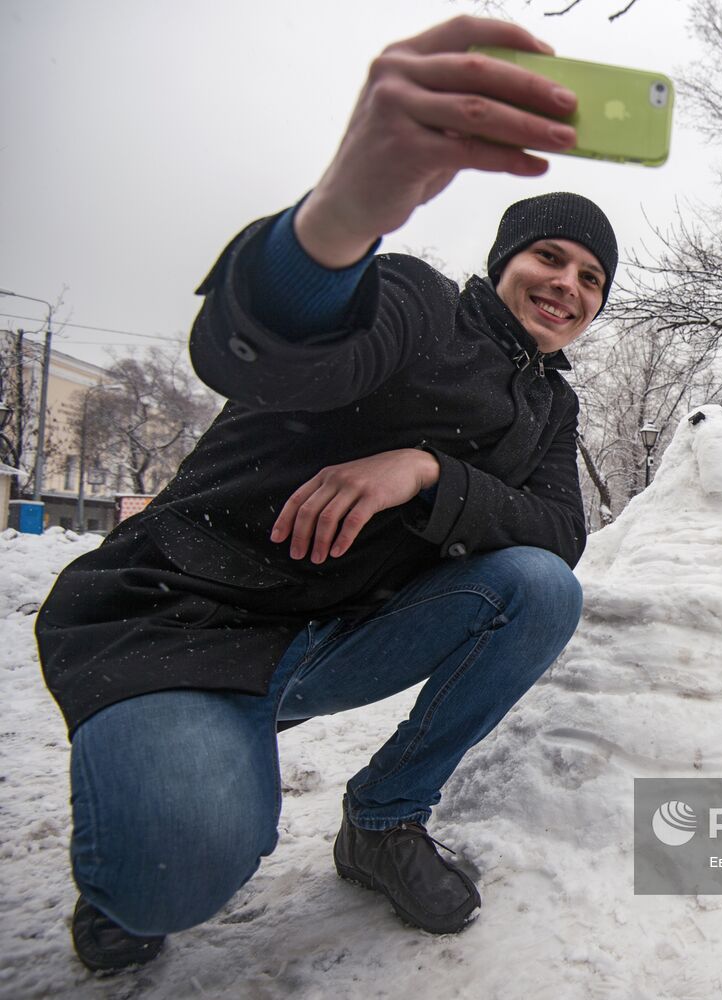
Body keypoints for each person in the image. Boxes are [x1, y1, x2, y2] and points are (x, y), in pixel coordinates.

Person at [35, 16, 612, 974]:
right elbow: (274, 337)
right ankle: (130, 864)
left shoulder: (553, 405)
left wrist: (424, 472)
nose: (568, 285)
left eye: (591, 278)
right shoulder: (422, 305)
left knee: (542, 587)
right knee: (170, 876)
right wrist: (343, 212)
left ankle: (382, 821)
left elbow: (558, 534)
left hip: (337, 635)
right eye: (550, 257)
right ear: (505, 261)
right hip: (194, 618)